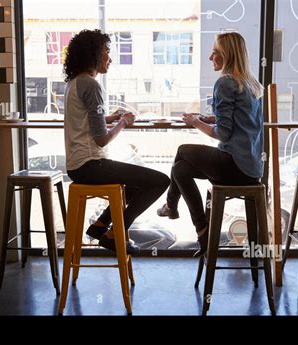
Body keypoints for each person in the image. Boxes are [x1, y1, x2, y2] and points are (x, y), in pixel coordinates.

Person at [157, 32, 264, 256]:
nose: (210, 57)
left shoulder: (225, 83)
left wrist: (196, 122)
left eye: (215, 52)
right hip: (251, 170)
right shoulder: (250, 83)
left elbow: (223, 134)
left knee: (182, 151)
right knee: (180, 169)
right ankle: (200, 228)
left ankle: (175, 209)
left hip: (233, 165)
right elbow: (240, 120)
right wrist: (210, 118)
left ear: (226, 55)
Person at [63, 29, 170, 254]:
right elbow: (101, 139)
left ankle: (100, 225)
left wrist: (109, 117)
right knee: (160, 181)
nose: (109, 59)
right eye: (106, 52)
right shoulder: (92, 86)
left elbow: (84, 119)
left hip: (76, 166)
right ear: (92, 55)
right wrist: (122, 122)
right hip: (91, 165)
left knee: (135, 185)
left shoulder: (74, 83)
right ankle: (114, 234)